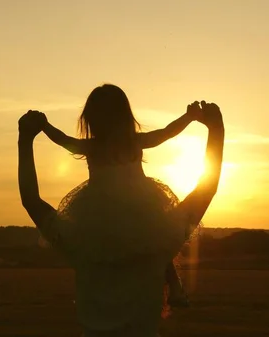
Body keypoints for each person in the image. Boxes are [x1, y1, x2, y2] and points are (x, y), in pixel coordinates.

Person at [18, 87, 225, 337]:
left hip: (97, 217)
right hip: (144, 214)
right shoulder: (157, 236)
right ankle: (175, 284)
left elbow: (32, 198)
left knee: (159, 240)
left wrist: (32, 134)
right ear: (127, 116)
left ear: (89, 120)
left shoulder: (81, 240)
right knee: (160, 242)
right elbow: (172, 142)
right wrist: (210, 127)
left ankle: (175, 283)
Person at [37, 84, 203, 307]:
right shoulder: (126, 142)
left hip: (107, 208)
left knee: (130, 245)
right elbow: (166, 133)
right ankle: (173, 288)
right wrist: (189, 117)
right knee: (157, 242)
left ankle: (168, 288)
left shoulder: (95, 146)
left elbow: (64, 140)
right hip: (137, 204)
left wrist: (44, 126)